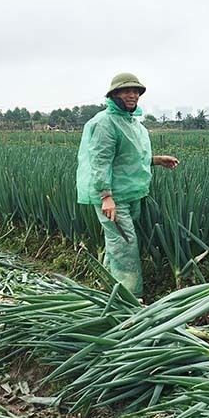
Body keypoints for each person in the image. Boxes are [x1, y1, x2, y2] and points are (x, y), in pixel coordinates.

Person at [76, 72, 179, 298]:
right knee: (125, 245)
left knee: (116, 242)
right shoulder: (105, 123)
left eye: (136, 91)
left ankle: (105, 286)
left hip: (131, 193)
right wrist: (105, 196)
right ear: (114, 94)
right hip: (113, 197)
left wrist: (156, 160)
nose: (132, 95)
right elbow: (100, 161)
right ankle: (129, 300)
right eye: (126, 91)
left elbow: (128, 158)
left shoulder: (133, 123)